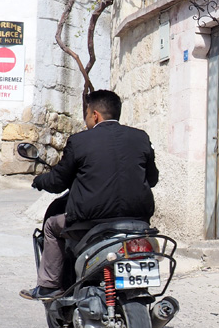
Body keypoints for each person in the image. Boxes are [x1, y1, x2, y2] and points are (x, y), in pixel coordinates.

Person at [20, 90, 159, 300]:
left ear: (95, 115)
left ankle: (49, 286)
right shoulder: (140, 137)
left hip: (90, 221)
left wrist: (39, 181)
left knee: (50, 226)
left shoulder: (80, 141)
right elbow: (153, 179)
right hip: (137, 220)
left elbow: (58, 182)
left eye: (86, 114)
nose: (86, 119)